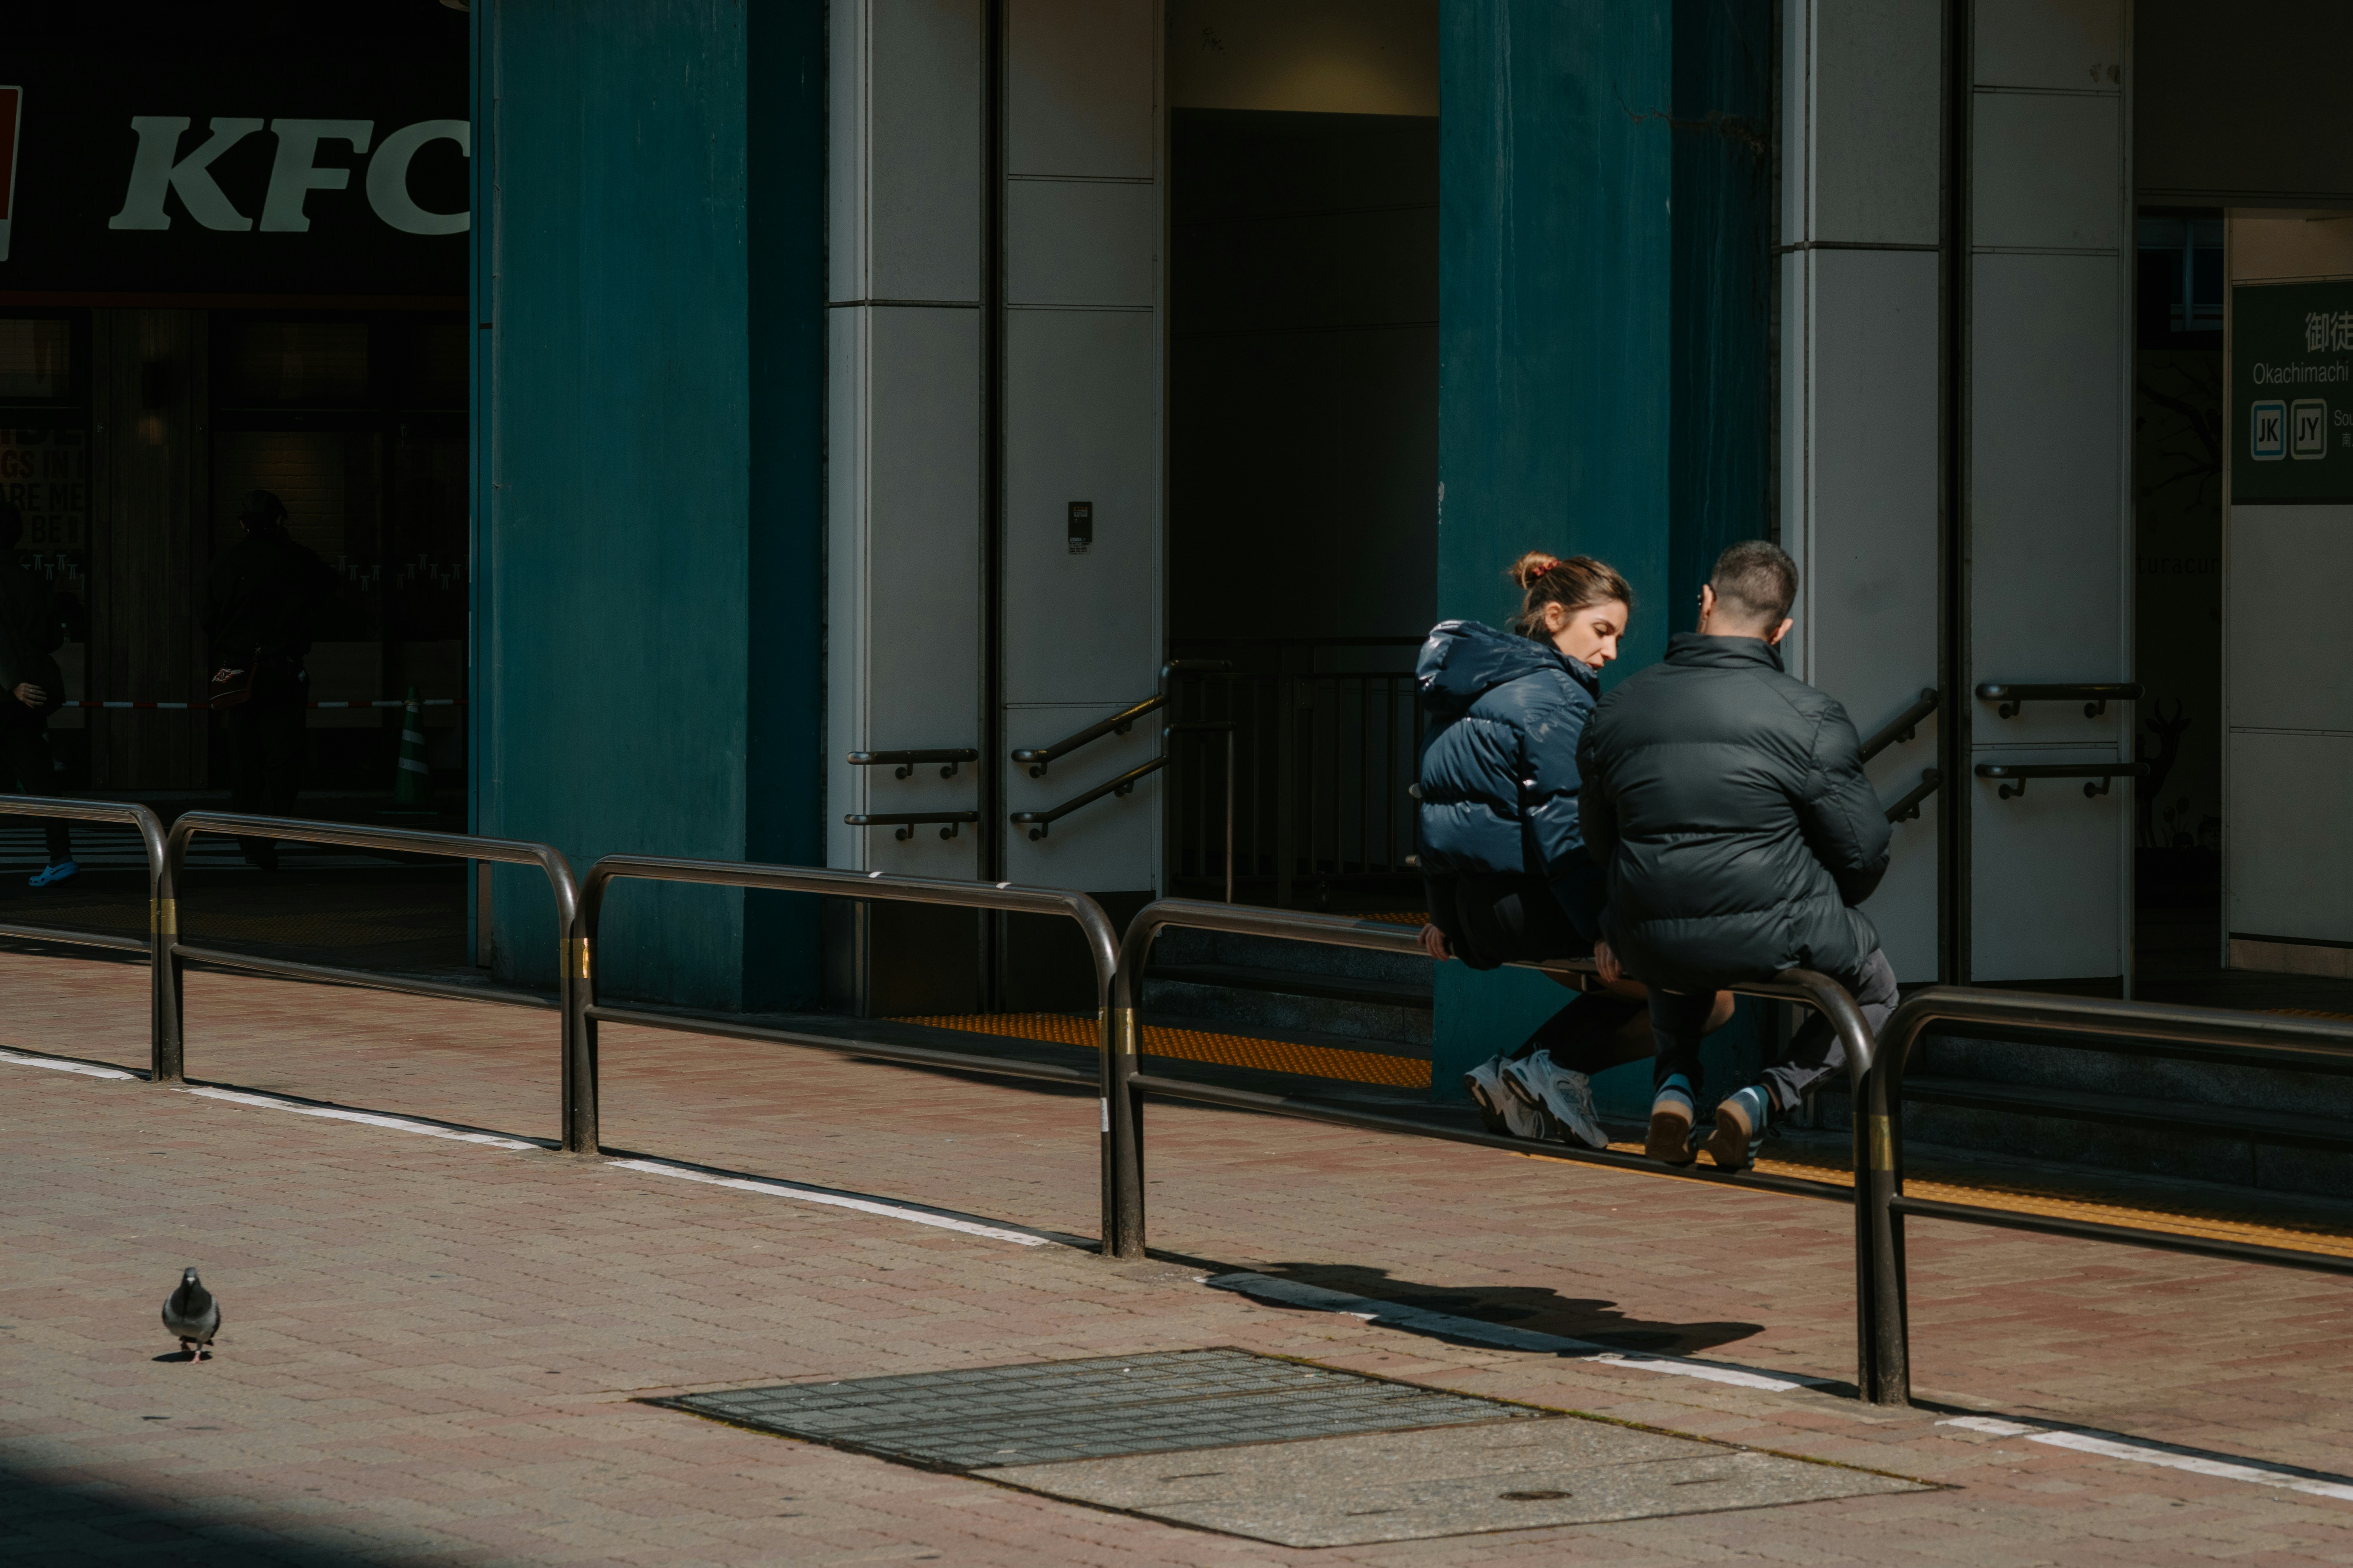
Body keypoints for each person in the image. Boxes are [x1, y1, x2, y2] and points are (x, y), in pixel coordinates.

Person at [1579, 539, 1897, 1172]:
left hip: (1647, 935)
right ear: (1781, 630)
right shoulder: (1812, 716)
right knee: (1879, 989)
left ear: (1704, 601)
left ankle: (1674, 1086)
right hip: (1772, 928)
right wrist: (1814, 899)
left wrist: (1620, 915)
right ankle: (1761, 1097)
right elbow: (1863, 853)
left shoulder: (1617, 707)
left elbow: (1601, 840)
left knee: (1675, 931)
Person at [1416, 552, 1730, 1148]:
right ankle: (1549, 1066)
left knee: (1627, 983)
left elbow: (1438, 806)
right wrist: (1605, 924)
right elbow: (1565, 829)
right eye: (1602, 630)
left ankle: (1525, 1073)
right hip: (1529, 907)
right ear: (1555, 615)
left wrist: (1440, 913)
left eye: (1617, 636)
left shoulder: (1471, 684)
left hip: (1474, 911)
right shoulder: (1553, 698)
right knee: (1710, 996)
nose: (1611, 651)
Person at [203, 490, 331, 869]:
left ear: (243, 523)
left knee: (244, 757)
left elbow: (207, 615)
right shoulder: (296, 560)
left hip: (241, 668)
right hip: (283, 668)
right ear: (279, 521)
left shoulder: (227, 563)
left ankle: (248, 837)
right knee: (284, 758)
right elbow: (329, 588)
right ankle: (265, 836)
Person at [0, 501, 75, 887]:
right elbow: (52, 637)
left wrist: (11, 680)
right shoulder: (31, 580)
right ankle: (61, 857)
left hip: (9, 690)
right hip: (29, 697)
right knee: (42, 780)